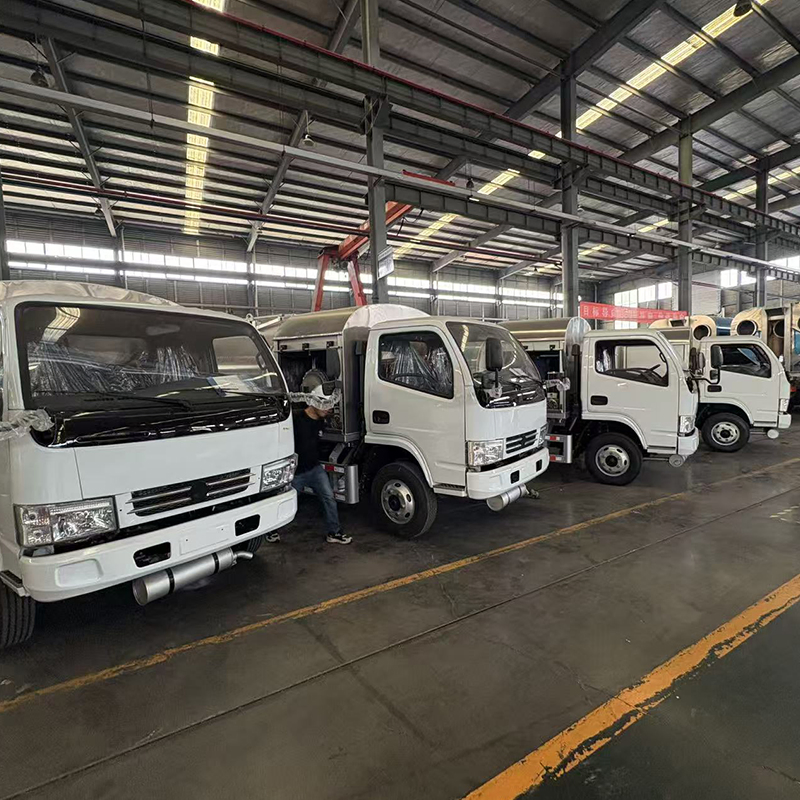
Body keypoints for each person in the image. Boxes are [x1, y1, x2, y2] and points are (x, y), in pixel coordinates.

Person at [268, 385, 351, 545]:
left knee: (329, 498)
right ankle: (271, 530)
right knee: (285, 501)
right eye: (325, 404)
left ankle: (334, 532)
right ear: (314, 402)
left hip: (315, 469)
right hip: (296, 473)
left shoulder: (320, 421)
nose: (329, 408)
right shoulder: (296, 420)